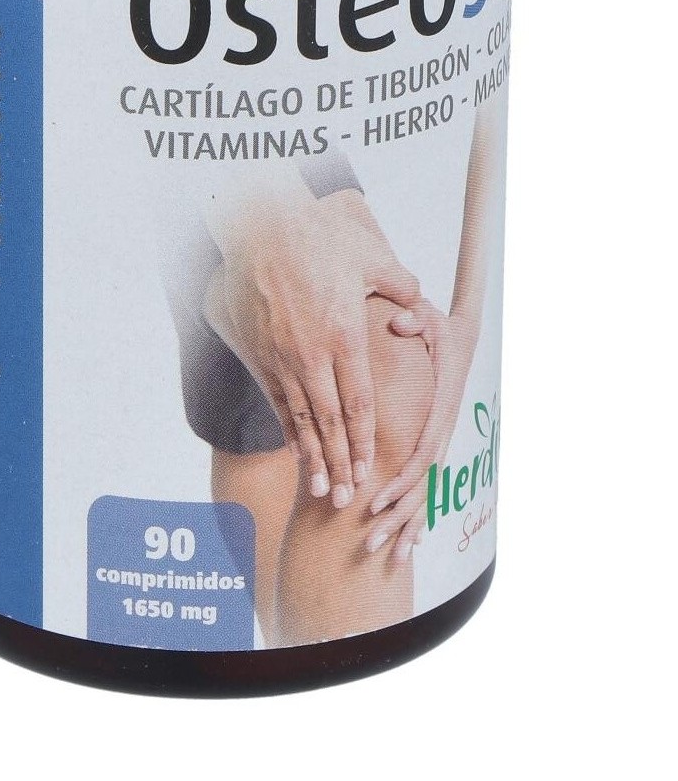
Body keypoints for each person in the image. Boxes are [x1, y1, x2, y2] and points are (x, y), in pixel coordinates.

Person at [164, 103, 501, 644]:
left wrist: (468, 317)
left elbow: (486, 83)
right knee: (348, 380)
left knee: (372, 378)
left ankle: (300, 661)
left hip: (284, 95)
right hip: (166, 117)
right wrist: (261, 230)